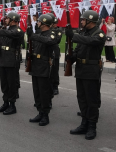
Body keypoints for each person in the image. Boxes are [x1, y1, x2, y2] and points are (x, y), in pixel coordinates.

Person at [66, 10, 106, 140]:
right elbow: (79, 49)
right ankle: (84, 123)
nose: (81, 21)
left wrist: (73, 36)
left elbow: (90, 42)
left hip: (91, 70)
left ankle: (92, 127)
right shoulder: (83, 33)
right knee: (82, 98)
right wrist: (72, 57)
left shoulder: (99, 34)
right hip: (81, 69)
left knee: (91, 100)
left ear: (90, 21)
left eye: (83, 20)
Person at [26, 14, 57, 125]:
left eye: (39, 22)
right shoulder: (39, 34)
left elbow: (50, 41)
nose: (37, 23)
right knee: (37, 91)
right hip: (35, 65)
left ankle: (45, 115)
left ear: (44, 23)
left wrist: (33, 36)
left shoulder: (51, 34)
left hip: (44, 65)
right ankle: (40, 112)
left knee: (44, 92)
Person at [0, 12, 24, 115]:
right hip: (3, 59)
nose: (5, 20)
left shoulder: (18, 30)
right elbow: (3, 43)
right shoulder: (6, 30)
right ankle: (5, 102)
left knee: (11, 84)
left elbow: (11, 34)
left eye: (7, 19)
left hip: (12, 60)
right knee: (4, 84)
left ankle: (12, 105)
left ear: (13, 20)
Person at [48, 13, 62, 95]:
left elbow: (57, 40)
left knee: (54, 70)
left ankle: (55, 86)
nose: (55, 25)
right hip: (47, 52)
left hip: (54, 51)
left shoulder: (58, 31)